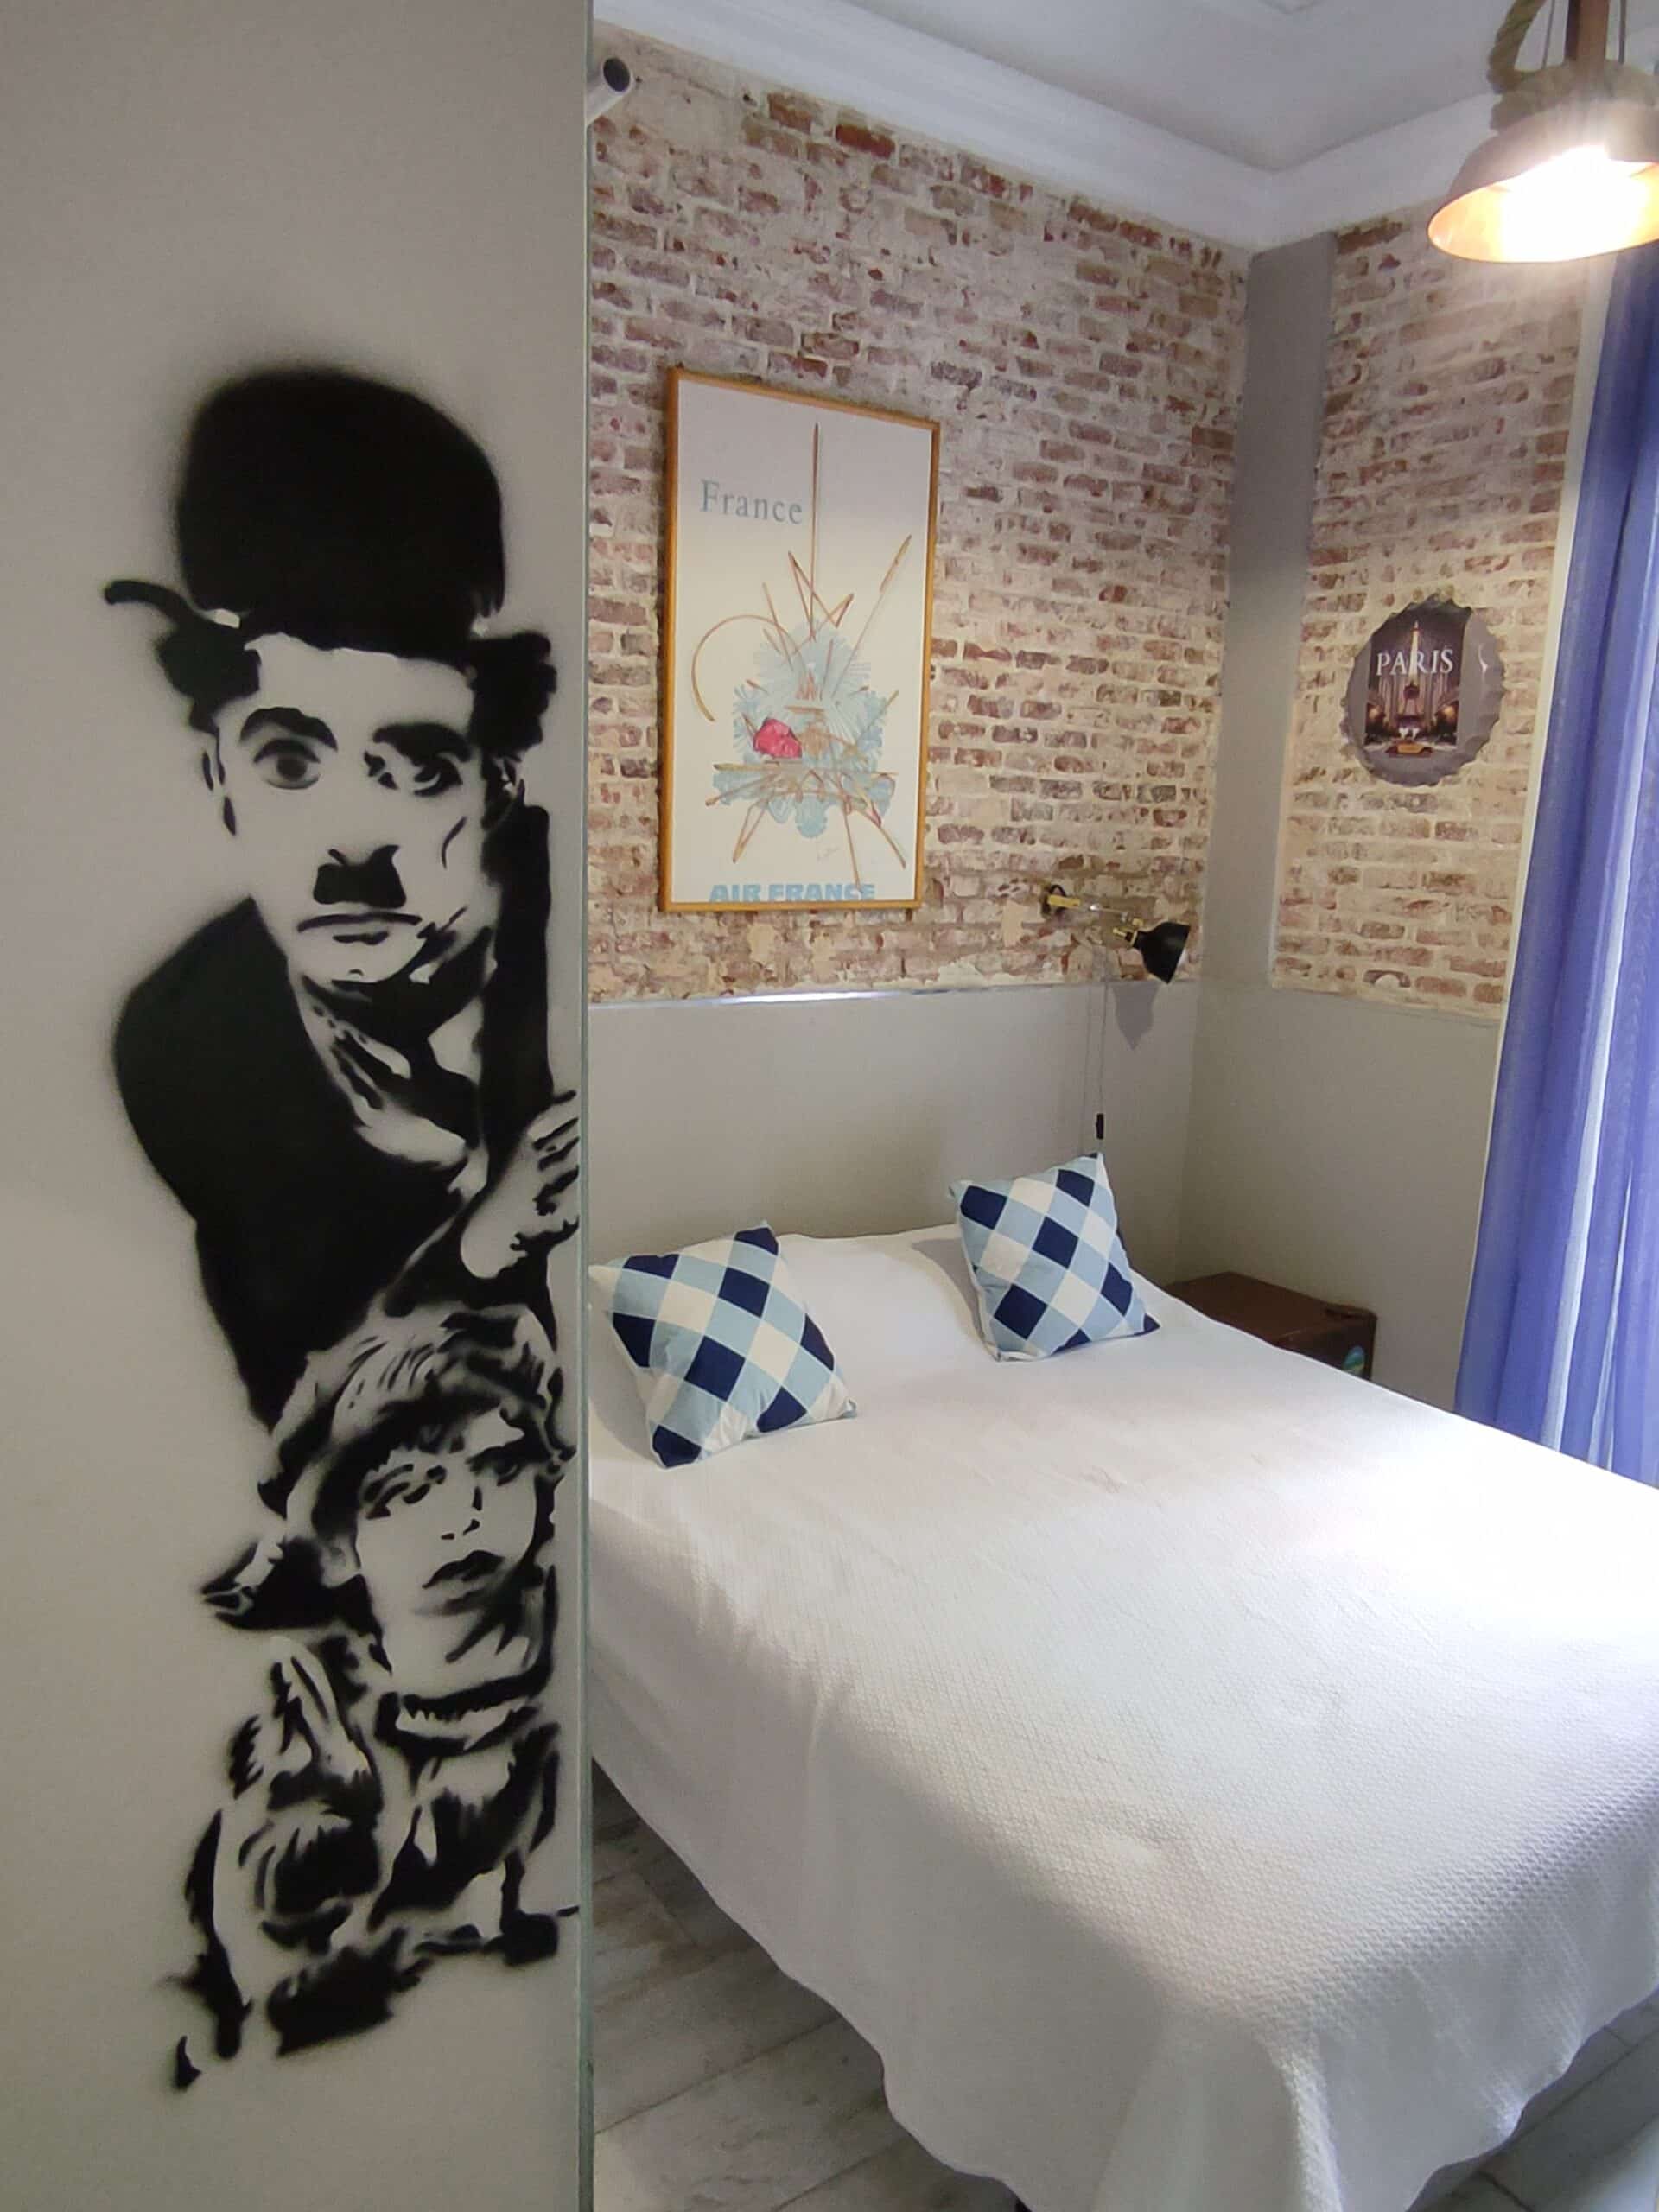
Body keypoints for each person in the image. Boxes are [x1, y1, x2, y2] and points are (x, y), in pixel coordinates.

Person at [105, 367, 574, 1430]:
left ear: (496, 787)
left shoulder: (562, 942)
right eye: (289, 763)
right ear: (219, 778)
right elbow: (304, 1424)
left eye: (418, 769)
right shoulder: (187, 1042)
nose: (353, 851)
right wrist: (481, 1239)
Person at [175, 1301, 568, 2080]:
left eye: (497, 1468)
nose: (465, 1515)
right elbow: (258, 1986)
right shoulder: (309, 1721)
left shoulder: (564, 1691)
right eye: (410, 1489)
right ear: (335, 1540)